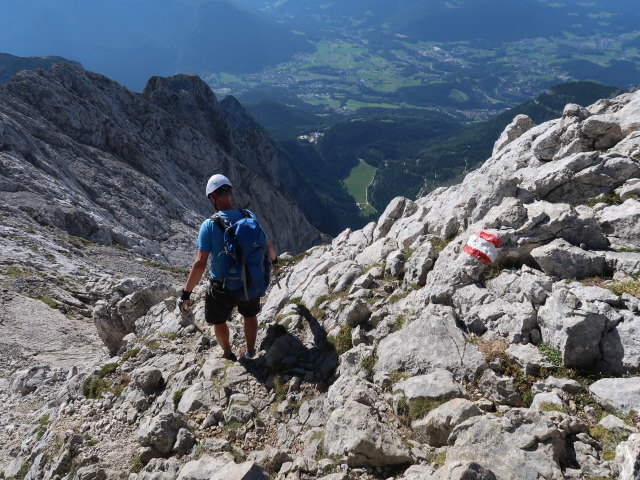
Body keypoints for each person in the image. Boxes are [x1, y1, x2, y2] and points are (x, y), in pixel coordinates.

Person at [178, 174, 280, 361]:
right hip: (250, 278)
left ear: (212, 197)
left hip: (221, 285)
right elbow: (267, 245)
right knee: (249, 315)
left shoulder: (209, 225)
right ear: (230, 193)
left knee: (219, 320)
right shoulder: (249, 216)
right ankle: (250, 352)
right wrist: (274, 263)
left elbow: (200, 263)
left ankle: (227, 352)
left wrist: (186, 293)